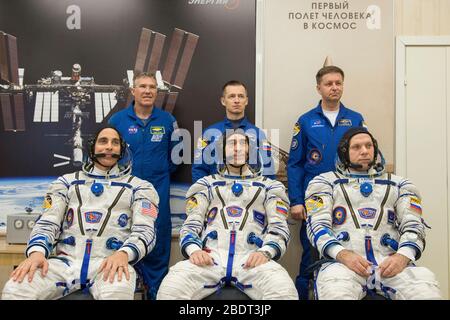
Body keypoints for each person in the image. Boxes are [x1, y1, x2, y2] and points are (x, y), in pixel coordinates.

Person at [2, 127, 159, 300]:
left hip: (110, 263)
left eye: (115, 143)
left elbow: (146, 231)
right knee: (16, 288)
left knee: (118, 294)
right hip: (65, 263)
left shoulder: (140, 187)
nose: (109, 147)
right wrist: (37, 253)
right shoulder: (66, 183)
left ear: (122, 150)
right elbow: (47, 222)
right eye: (103, 141)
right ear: (92, 148)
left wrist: (124, 254)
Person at [157, 131, 298, 300]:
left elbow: (279, 228)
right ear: (222, 151)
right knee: (170, 289)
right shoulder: (206, 185)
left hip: (252, 257)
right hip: (211, 257)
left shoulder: (269, 187)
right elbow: (191, 225)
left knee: (285, 292)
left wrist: (265, 252)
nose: (237, 149)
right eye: (232, 144)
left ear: (250, 150)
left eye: (242, 144)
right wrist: (194, 250)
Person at [305, 127, 442, 299]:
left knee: (426, 289)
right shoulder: (324, 183)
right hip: (343, 264)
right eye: (357, 147)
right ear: (344, 153)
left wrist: (403, 256)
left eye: (368, 146)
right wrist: (342, 254)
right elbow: (317, 226)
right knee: (335, 293)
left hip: (390, 262)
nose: (364, 151)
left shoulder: (400, 185)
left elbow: (414, 226)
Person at [287, 65, 365, 299]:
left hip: (349, 200)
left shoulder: (355, 118)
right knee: (310, 256)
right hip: (315, 200)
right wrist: (296, 201)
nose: (334, 87)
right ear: (318, 88)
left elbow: (366, 159)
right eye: (329, 83)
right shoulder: (306, 120)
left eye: (338, 83)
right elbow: (295, 164)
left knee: (349, 250)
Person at [109, 72, 180, 300]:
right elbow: (110, 158)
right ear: (133, 91)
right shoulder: (117, 121)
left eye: (152, 87)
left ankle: (156, 294)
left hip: (157, 196)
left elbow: (175, 160)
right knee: (121, 249)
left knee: (157, 248)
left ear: (156, 92)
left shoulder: (168, 121)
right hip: (123, 197)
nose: (148, 91)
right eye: (143, 86)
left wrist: (155, 175)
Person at [192, 80, 274, 183]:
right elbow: (199, 170)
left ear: (246, 101)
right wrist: (205, 193)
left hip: (251, 196)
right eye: (231, 96)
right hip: (217, 195)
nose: (237, 100)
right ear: (223, 101)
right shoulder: (209, 134)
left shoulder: (258, 134)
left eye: (241, 96)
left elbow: (268, 171)